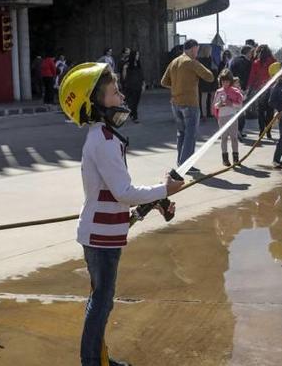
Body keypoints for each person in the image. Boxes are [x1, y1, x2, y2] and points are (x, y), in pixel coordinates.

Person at [58, 62, 184, 366]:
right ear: (96, 102)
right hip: (100, 237)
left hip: (106, 233)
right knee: (101, 303)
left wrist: (156, 198)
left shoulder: (104, 136)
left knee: (100, 301)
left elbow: (118, 195)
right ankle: (91, 360)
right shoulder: (103, 141)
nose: (121, 97)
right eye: (114, 93)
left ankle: (97, 357)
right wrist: (165, 190)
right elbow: (124, 193)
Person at [160, 39, 214, 173]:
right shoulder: (191, 62)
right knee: (190, 134)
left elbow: (163, 81)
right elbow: (210, 76)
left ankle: (180, 161)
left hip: (176, 103)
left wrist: (177, 87)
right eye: (196, 50)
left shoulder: (174, 62)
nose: (197, 53)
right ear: (192, 49)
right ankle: (186, 164)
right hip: (190, 103)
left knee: (181, 133)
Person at [212, 68, 244, 166]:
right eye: (223, 81)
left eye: (227, 81)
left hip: (232, 116)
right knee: (224, 138)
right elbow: (214, 106)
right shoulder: (219, 91)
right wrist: (219, 104)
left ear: (230, 81)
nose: (225, 83)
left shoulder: (235, 91)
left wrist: (231, 104)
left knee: (234, 137)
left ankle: (236, 158)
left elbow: (240, 105)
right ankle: (225, 159)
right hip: (222, 117)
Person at [248, 44, 277, 140]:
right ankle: (268, 131)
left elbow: (252, 77)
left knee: (261, 111)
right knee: (270, 111)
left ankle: (261, 130)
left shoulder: (256, 63)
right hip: (272, 89)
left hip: (260, 89)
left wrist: (250, 87)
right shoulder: (273, 62)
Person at [229, 45, 253, 138]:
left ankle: (235, 131)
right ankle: (239, 131)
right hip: (241, 89)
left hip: (232, 88)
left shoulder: (234, 60)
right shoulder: (246, 63)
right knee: (241, 112)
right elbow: (246, 76)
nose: (252, 55)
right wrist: (245, 89)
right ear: (247, 52)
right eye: (251, 53)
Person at [121, 50, 144, 123]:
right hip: (130, 86)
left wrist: (143, 84)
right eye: (137, 55)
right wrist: (124, 70)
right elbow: (124, 77)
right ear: (133, 56)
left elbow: (141, 75)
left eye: (138, 55)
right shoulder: (127, 65)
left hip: (138, 86)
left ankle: (132, 114)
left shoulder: (138, 64)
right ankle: (135, 117)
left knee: (136, 102)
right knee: (132, 102)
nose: (138, 56)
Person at [197, 45, 218, 120]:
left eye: (210, 50)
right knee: (204, 98)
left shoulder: (211, 59)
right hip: (204, 81)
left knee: (213, 98)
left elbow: (216, 68)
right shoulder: (200, 60)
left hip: (213, 80)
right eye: (208, 50)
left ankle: (212, 113)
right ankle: (204, 114)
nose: (209, 52)